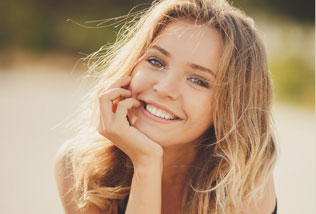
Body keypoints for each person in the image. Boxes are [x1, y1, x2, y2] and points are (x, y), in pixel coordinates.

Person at [54, 0, 278, 213]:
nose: (164, 88)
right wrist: (147, 164)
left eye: (198, 80)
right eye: (156, 61)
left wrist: (146, 164)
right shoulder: (80, 167)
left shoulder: (246, 186)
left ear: (232, 107)